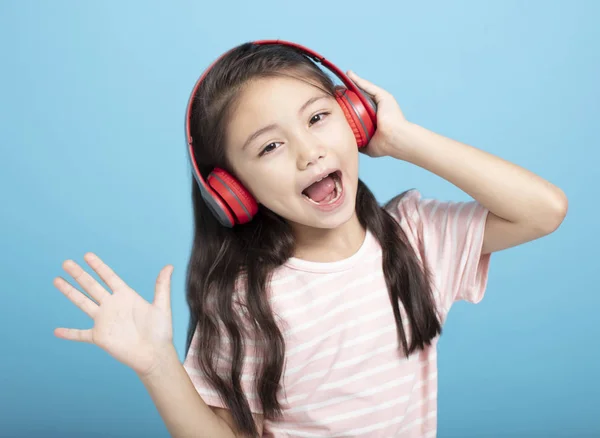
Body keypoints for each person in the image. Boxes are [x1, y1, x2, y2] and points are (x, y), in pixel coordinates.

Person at [53, 41, 568, 437]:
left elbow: (543, 211)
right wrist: (157, 364)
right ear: (234, 191)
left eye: (319, 118)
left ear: (356, 120)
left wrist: (404, 139)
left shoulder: (416, 238)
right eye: (271, 146)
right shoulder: (243, 297)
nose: (308, 153)